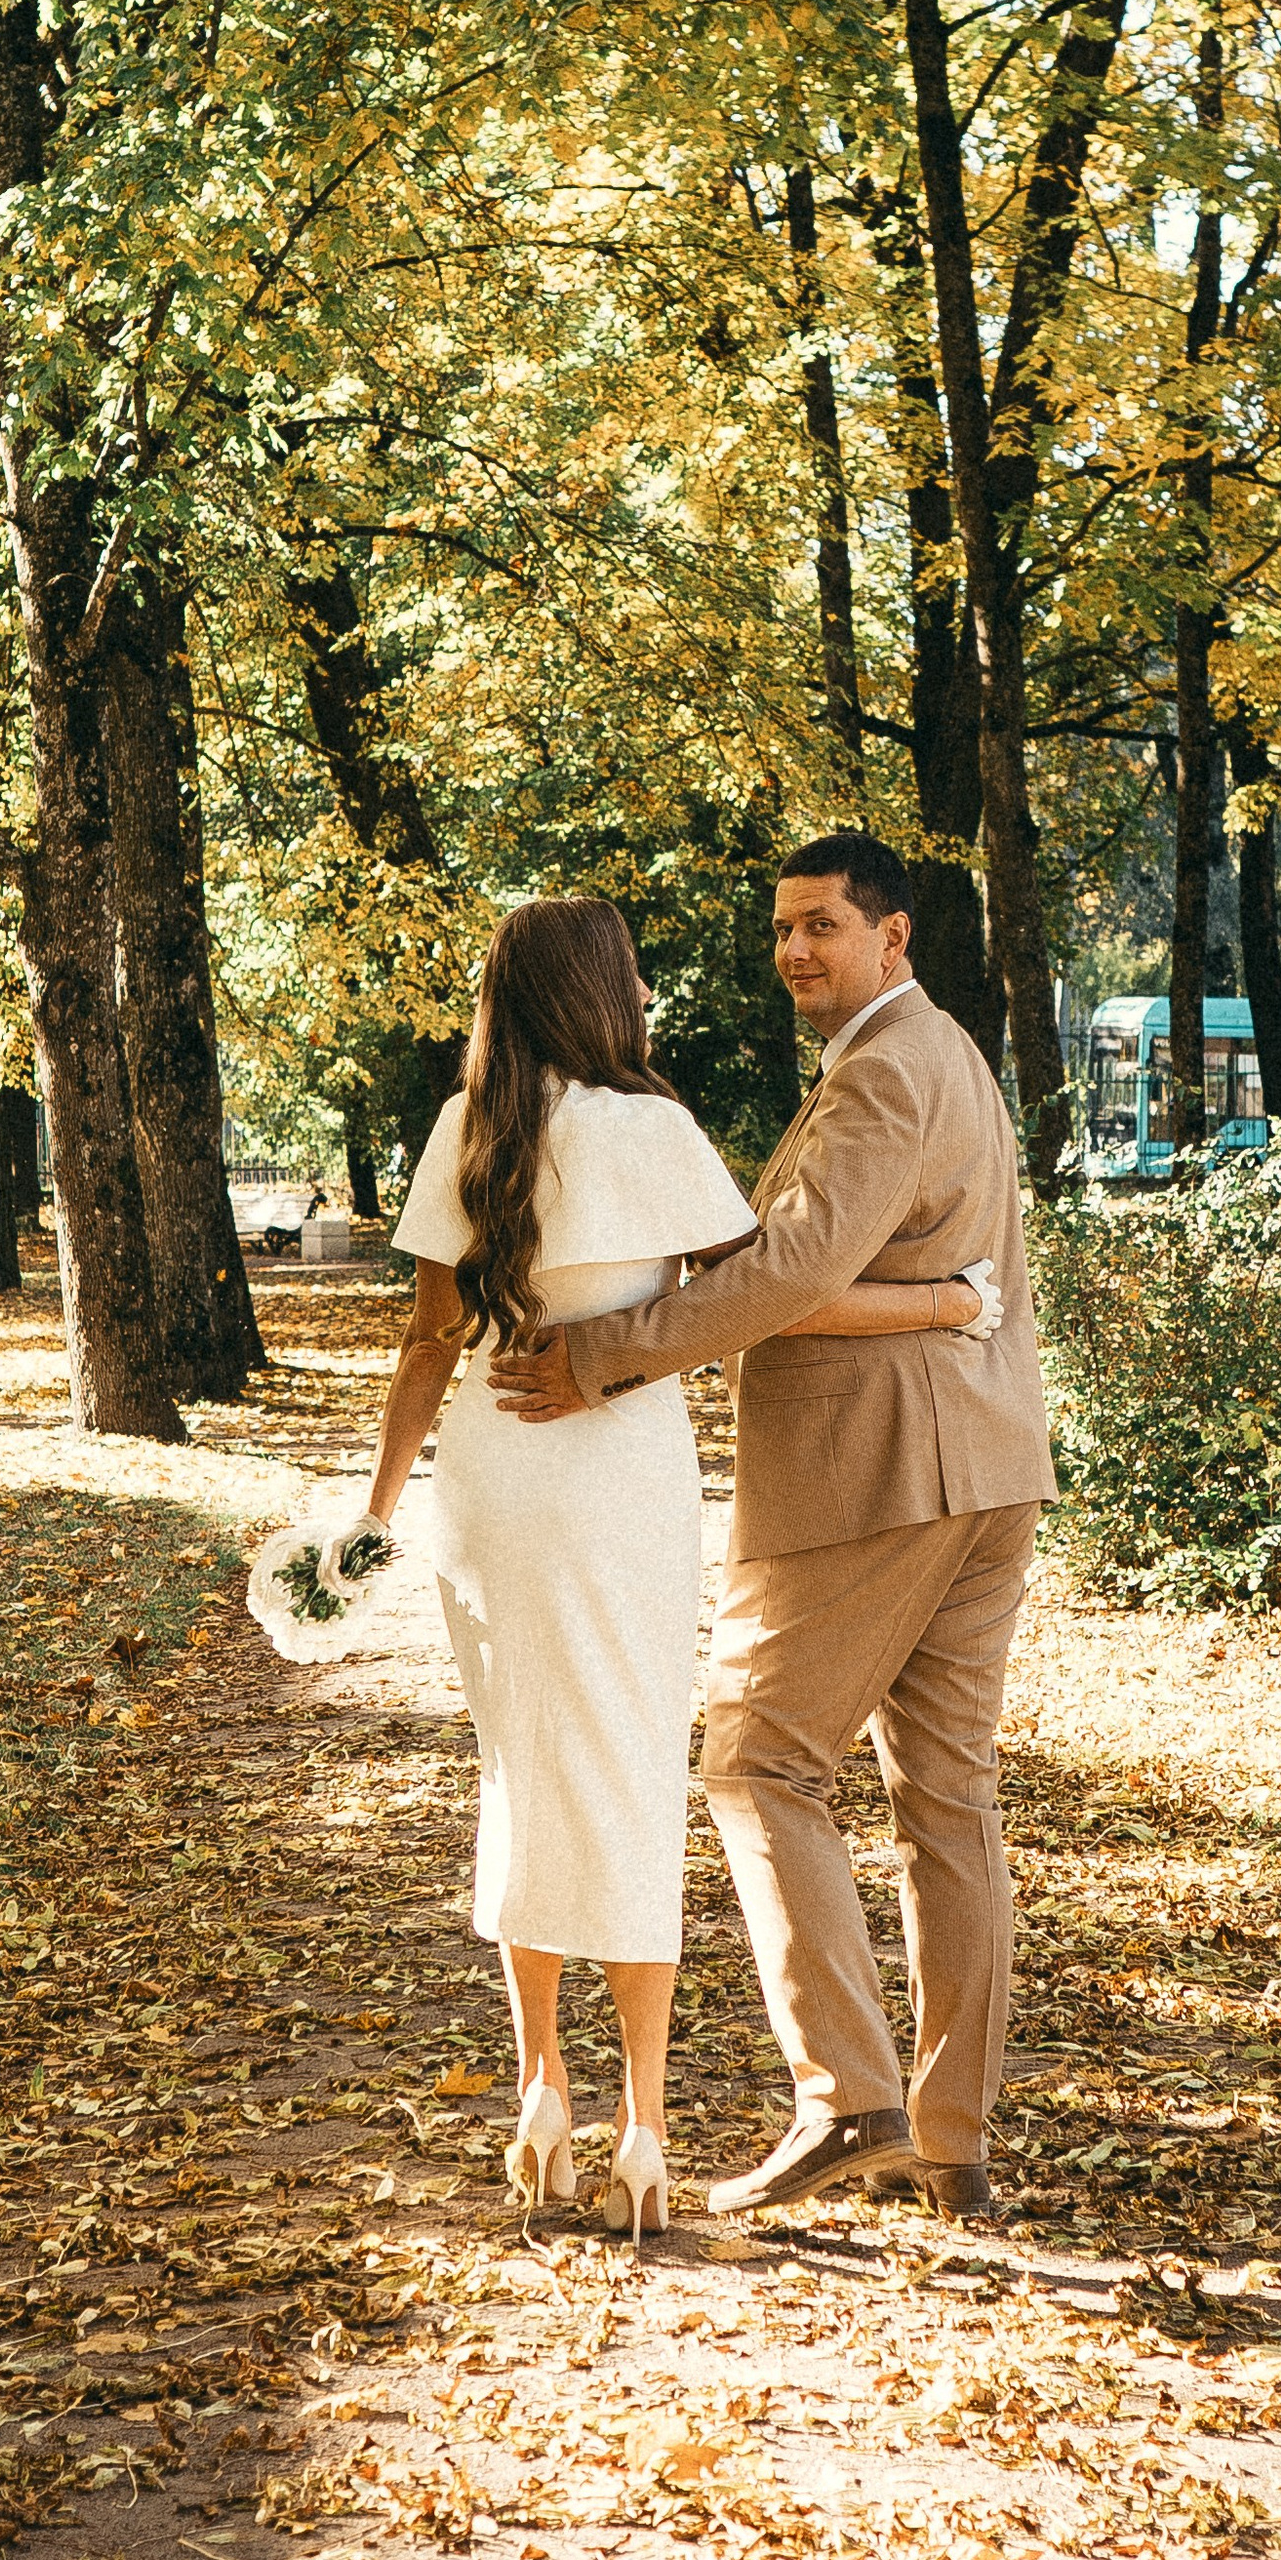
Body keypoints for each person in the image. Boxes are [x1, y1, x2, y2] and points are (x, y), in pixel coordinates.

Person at [358, 894, 991, 2245]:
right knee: (634, 1768)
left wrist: (375, 1508)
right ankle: (643, 2123)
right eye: (633, 976)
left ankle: (541, 2091)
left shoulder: (465, 1131)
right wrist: (948, 1304)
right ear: (604, 993)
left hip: (489, 1470)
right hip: (615, 1474)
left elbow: (424, 1341)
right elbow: (782, 1293)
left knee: (522, 1766)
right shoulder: (652, 1129)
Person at [491, 830, 1055, 2224]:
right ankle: (952, 2139)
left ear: (894, 937)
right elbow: (865, 1265)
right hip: (982, 1459)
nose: (798, 949)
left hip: (879, 1471)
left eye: (824, 925)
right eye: (784, 929)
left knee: (758, 1763)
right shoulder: (945, 1057)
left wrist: (608, 1352)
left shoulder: (883, 1071)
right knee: (948, 1800)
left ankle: (849, 2100)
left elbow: (792, 1271)